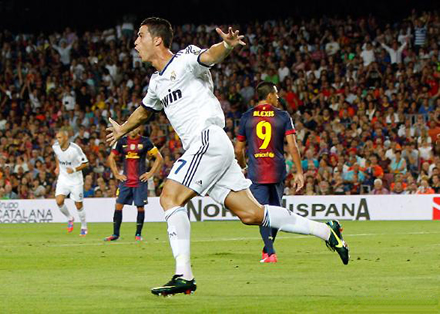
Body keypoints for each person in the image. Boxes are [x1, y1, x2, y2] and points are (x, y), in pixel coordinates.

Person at [106, 17, 349, 297]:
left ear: (157, 40)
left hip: (207, 138)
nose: (135, 42)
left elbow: (209, 56)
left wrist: (227, 45)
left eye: (140, 36)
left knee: (169, 198)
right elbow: (146, 110)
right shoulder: (156, 81)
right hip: (209, 148)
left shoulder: (184, 60)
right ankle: (326, 231)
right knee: (252, 214)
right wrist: (124, 128)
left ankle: (183, 274)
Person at [235, 81, 304, 264]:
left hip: (257, 171)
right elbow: (293, 146)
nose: (279, 97)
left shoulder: (247, 117)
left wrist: (244, 166)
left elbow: (238, 149)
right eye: (277, 94)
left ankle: (270, 252)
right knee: (276, 212)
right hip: (277, 169)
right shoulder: (282, 116)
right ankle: (269, 249)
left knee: (263, 212)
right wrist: (299, 172)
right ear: (269, 96)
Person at [104, 126, 163, 242]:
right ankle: (115, 234)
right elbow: (111, 158)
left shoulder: (145, 142)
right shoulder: (122, 141)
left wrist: (150, 173)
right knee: (118, 205)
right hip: (125, 181)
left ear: (139, 129)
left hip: (140, 181)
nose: (132, 130)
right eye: (130, 128)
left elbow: (159, 158)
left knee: (140, 207)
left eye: (135, 128)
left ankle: (138, 234)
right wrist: (116, 174)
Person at [53, 129, 89, 236]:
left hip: (76, 180)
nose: (58, 140)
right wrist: (57, 167)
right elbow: (57, 156)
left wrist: (73, 169)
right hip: (63, 178)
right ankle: (70, 218)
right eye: (57, 138)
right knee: (59, 201)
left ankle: (83, 226)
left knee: (78, 205)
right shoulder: (55, 147)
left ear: (65, 138)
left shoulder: (75, 149)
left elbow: (85, 163)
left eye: (59, 138)